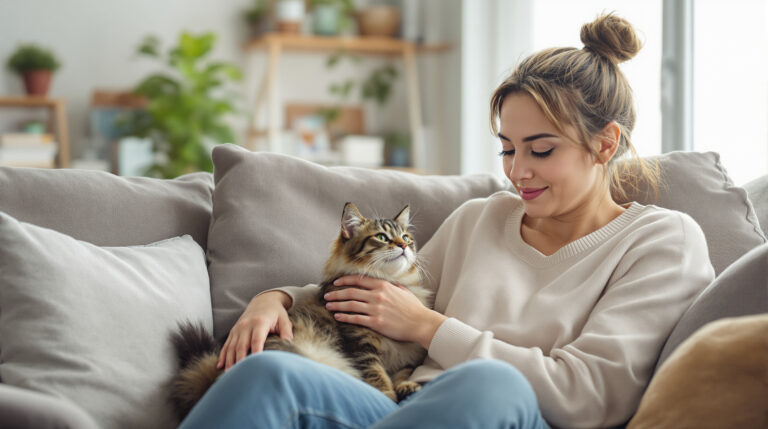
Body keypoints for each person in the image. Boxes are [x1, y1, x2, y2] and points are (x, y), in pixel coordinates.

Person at [180, 13, 714, 429]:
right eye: (507, 149)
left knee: (488, 385)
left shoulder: (661, 240)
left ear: (605, 143)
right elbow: (380, 297)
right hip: (403, 406)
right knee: (271, 374)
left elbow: (590, 396)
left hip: (513, 414)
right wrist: (277, 298)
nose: (518, 172)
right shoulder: (481, 219)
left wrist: (431, 329)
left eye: (541, 150)